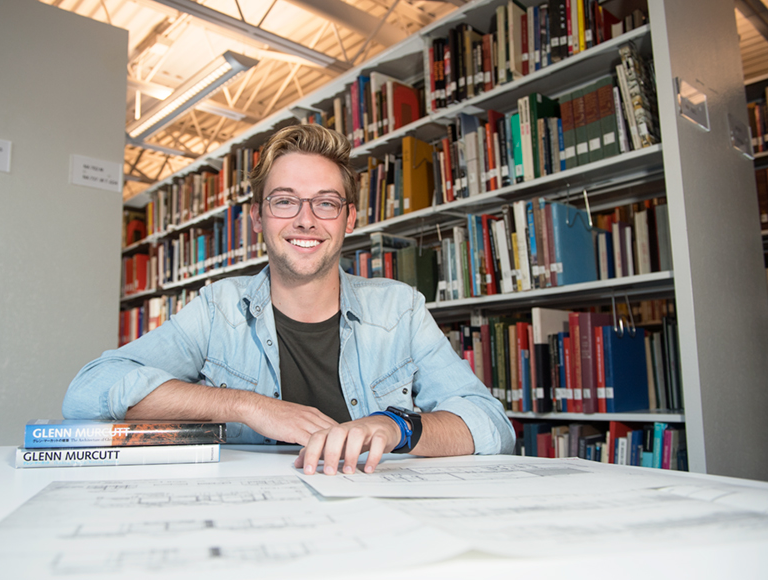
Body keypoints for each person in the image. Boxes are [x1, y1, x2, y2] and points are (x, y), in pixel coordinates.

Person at [63, 124, 514, 475]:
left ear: (349, 218)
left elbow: (490, 423)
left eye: (326, 203)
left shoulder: (400, 309)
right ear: (257, 216)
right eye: (284, 202)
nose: (305, 220)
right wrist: (248, 405)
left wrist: (396, 426)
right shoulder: (219, 309)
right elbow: (88, 391)